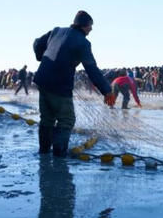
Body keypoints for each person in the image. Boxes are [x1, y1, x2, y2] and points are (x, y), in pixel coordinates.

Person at [33, 10, 115, 157]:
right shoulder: (83, 42)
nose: (91, 29)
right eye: (90, 26)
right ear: (84, 26)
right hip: (59, 84)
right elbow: (91, 68)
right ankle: (59, 155)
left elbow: (37, 43)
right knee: (67, 119)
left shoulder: (57, 31)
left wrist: (41, 57)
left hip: (42, 80)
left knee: (47, 118)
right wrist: (107, 90)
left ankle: (43, 152)